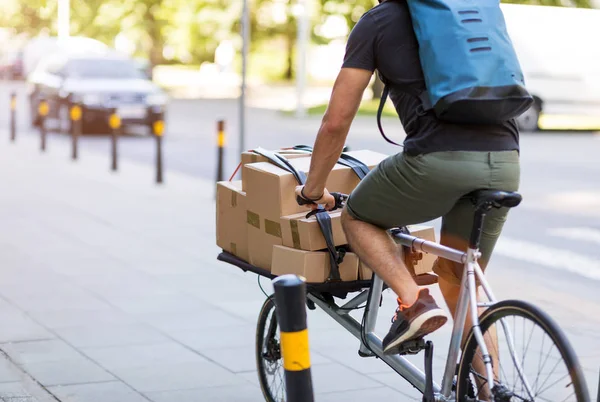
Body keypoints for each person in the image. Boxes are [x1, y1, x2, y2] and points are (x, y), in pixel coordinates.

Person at [295, 0, 520, 355]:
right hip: (507, 160)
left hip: (438, 159)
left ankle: (414, 300)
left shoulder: (378, 22)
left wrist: (313, 189)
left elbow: (336, 122)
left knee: (358, 217)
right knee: (460, 284)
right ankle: (491, 390)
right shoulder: (472, 12)